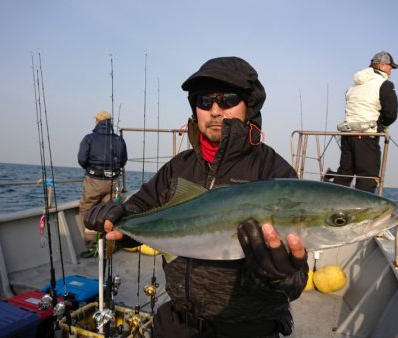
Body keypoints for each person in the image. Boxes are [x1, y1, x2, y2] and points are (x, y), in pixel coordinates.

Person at [84, 57, 309, 338]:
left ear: (248, 106)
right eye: (204, 101)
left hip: (247, 330)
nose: (215, 110)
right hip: (177, 323)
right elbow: (139, 208)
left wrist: (284, 272)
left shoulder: (274, 173)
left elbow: (296, 283)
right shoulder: (179, 168)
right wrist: (116, 218)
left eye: (228, 99)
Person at [332, 51, 398, 193]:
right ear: (381, 66)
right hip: (367, 136)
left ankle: (334, 206)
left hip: (347, 135)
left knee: (344, 174)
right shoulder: (384, 84)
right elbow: (391, 113)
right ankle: (363, 213)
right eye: (390, 67)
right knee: (367, 177)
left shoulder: (353, 86)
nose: (391, 71)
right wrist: (383, 125)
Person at [77, 110, 127, 257]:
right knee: (110, 212)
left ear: (97, 121)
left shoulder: (89, 138)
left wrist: (92, 168)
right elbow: (123, 160)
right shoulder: (119, 140)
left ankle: (92, 245)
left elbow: (82, 159)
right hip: (113, 181)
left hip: (94, 181)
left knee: (87, 209)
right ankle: (107, 246)